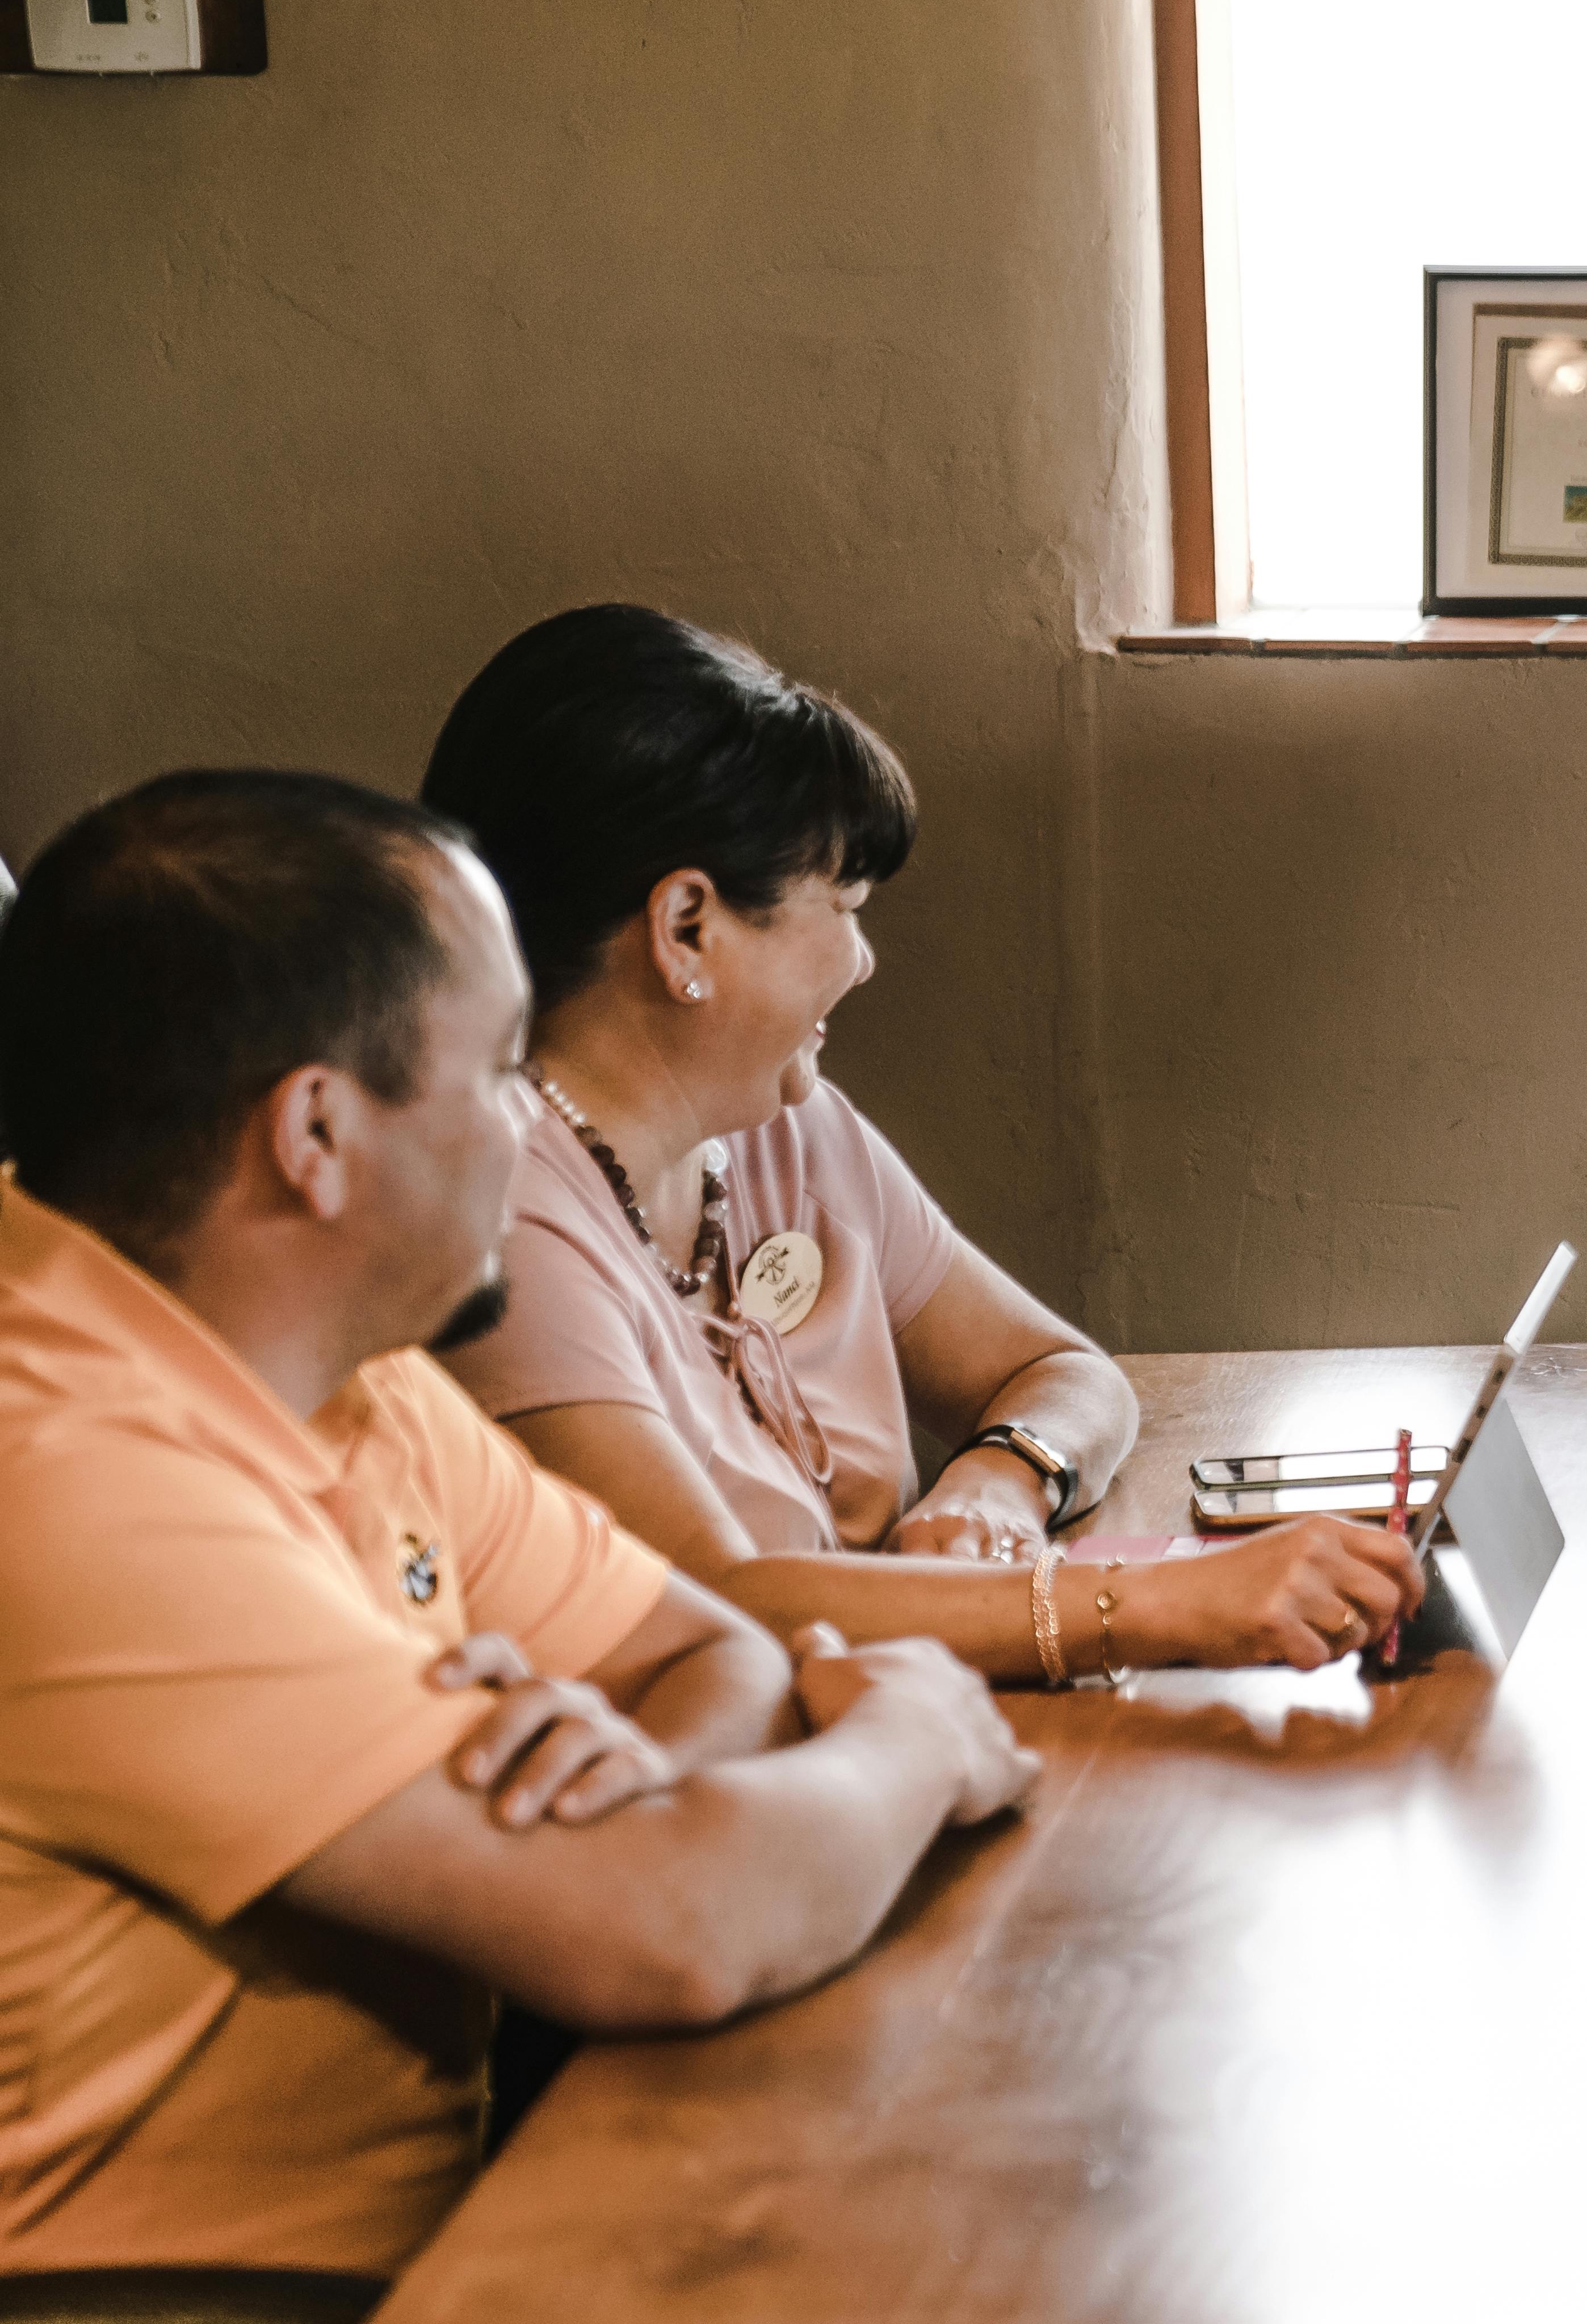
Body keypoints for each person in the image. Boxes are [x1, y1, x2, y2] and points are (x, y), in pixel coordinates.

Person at [0, 773, 1034, 2308]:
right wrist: (924, 1734)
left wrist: (654, 1780)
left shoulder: (354, 1371)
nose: (531, 1127)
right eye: (498, 1072)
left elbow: (712, 1645)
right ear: (318, 1134)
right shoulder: (74, 1479)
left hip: (452, 2224)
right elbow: (672, 1929)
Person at [419, 606, 1416, 1681]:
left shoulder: (781, 1126)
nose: (862, 960)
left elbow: (1065, 1371)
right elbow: (711, 1604)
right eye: (843, 903)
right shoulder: (501, 1218)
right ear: (687, 929)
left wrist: (998, 1476)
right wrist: (1147, 1602)